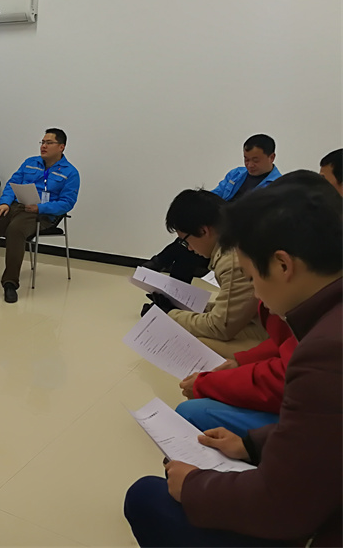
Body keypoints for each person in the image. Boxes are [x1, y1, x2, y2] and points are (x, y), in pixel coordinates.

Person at [125, 170, 342, 548]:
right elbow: (320, 434)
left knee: (146, 497)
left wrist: (194, 486)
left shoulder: (325, 350)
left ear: (282, 265)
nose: (255, 294)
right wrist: (250, 445)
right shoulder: (325, 322)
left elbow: (283, 505)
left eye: (252, 277)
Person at [0, 128, 79, 303]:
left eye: (49, 143)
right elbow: (12, 184)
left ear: (61, 147)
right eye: (42, 142)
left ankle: (10, 283)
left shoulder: (70, 173)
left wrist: (40, 208)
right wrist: (5, 203)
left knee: (15, 230)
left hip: (42, 214)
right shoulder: (30, 163)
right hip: (15, 206)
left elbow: (67, 203)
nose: (43, 146)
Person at [142, 189, 267, 357]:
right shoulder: (240, 236)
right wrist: (185, 309)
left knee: (189, 341)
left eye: (185, 241)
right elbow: (236, 309)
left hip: (277, 335)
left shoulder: (231, 259)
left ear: (204, 231)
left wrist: (169, 314)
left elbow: (220, 327)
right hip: (267, 323)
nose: (189, 248)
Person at [142, 134, 281, 283]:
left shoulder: (277, 187)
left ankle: (161, 265)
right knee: (188, 243)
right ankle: (170, 287)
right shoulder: (236, 174)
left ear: (271, 157)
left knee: (188, 246)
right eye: (246, 159)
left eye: (255, 160)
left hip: (239, 237)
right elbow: (214, 196)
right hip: (217, 226)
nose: (250, 165)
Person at [174, 301, 297, 436]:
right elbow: (287, 342)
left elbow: (282, 381)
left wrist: (205, 385)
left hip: (305, 424)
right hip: (300, 406)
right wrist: (242, 361)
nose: (255, 296)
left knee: (191, 411)